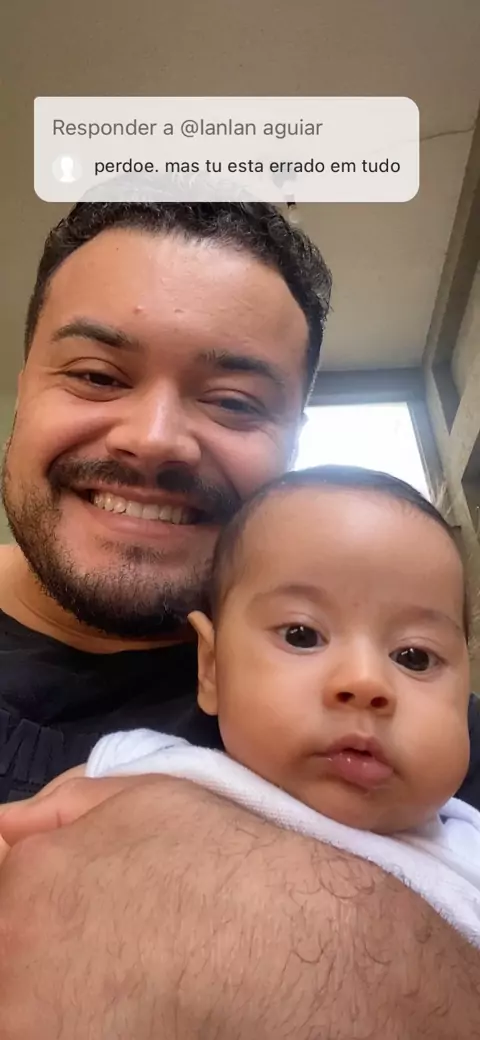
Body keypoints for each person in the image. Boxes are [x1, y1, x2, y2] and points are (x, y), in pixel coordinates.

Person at [0, 201, 479, 1038]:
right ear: (22, 388)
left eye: (232, 401)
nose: (154, 439)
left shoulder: (424, 752)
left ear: (294, 441)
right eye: (98, 376)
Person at [2, 466, 480, 948]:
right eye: (302, 635)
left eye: (415, 657)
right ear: (211, 667)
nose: (365, 682)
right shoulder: (139, 775)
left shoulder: (470, 853)